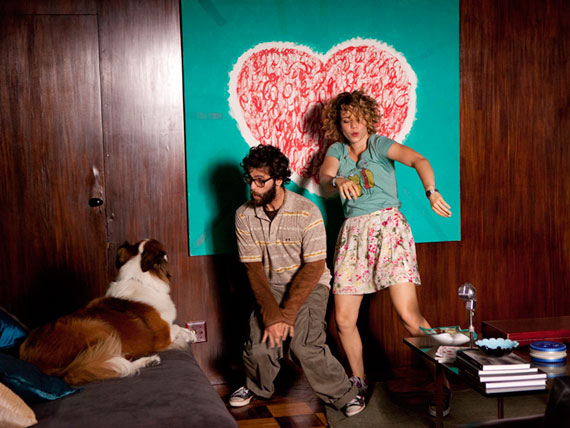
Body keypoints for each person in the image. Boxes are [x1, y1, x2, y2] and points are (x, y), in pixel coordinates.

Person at [319, 90, 453, 416]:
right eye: (346, 120)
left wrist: (431, 191)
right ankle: (359, 383)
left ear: (368, 119)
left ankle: (443, 383)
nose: (353, 126)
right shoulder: (337, 150)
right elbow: (324, 179)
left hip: (388, 229)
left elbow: (419, 160)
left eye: (358, 119)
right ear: (339, 124)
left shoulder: (379, 145)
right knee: (343, 320)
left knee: (409, 317)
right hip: (353, 233)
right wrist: (337, 180)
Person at [229, 144, 365, 417]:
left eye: (260, 181)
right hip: (270, 285)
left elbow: (314, 268)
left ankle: (347, 394)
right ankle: (256, 386)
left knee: (304, 347)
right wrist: (272, 316)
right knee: (258, 349)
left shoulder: (306, 211)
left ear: (279, 179)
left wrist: (287, 316)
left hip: (311, 285)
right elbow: (253, 269)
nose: (253, 187)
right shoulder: (243, 215)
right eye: (250, 179)